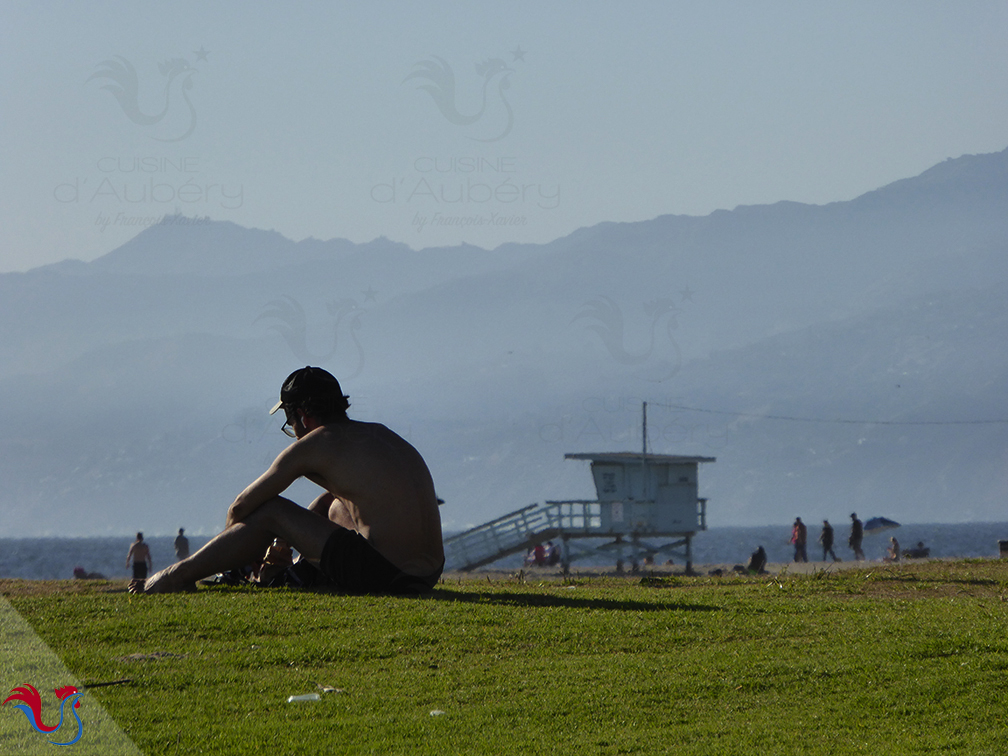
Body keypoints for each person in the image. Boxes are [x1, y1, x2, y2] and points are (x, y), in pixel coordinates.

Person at [141, 366, 444, 595]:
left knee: (272, 509)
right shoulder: (379, 434)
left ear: (302, 415)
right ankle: (297, 572)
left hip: (386, 576)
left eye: (289, 422)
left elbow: (242, 506)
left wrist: (239, 560)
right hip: (425, 575)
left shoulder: (318, 442)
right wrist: (284, 541)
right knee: (333, 505)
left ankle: (176, 577)